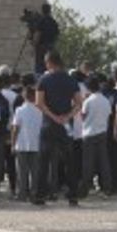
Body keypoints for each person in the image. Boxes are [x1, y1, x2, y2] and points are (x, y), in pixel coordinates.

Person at [34, 51, 82, 206]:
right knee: (69, 161)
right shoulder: (71, 80)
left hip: (48, 123)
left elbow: (39, 103)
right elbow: (79, 103)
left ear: (48, 62)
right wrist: (66, 117)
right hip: (65, 125)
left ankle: (40, 195)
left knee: (43, 160)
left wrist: (53, 116)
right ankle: (72, 195)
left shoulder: (44, 80)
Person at [80, 76, 113, 196]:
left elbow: (82, 116)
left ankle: (85, 188)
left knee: (88, 163)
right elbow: (108, 116)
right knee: (103, 161)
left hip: (89, 133)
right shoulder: (105, 100)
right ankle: (107, 187)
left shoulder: (88, 101)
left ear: (88, 88)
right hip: (102, 132)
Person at [11, 85, 43, 201]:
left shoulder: (19, 110)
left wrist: (13, 144)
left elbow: (15, 128)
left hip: (22, 143)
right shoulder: (40, 110)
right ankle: (34, 192)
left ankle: (22, 194)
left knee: (21, 171)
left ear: (24, 96)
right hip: (36, 144)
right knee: (35, 171)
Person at [33, 3, 60, 75]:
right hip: (51, 47)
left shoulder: (41, 21)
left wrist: (34, 44)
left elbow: (37, 34)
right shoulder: (54, 22)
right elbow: (57, 36)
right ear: (50, 11)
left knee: (40, 67)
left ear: (42, 10)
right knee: (50, 65)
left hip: (41, 48)